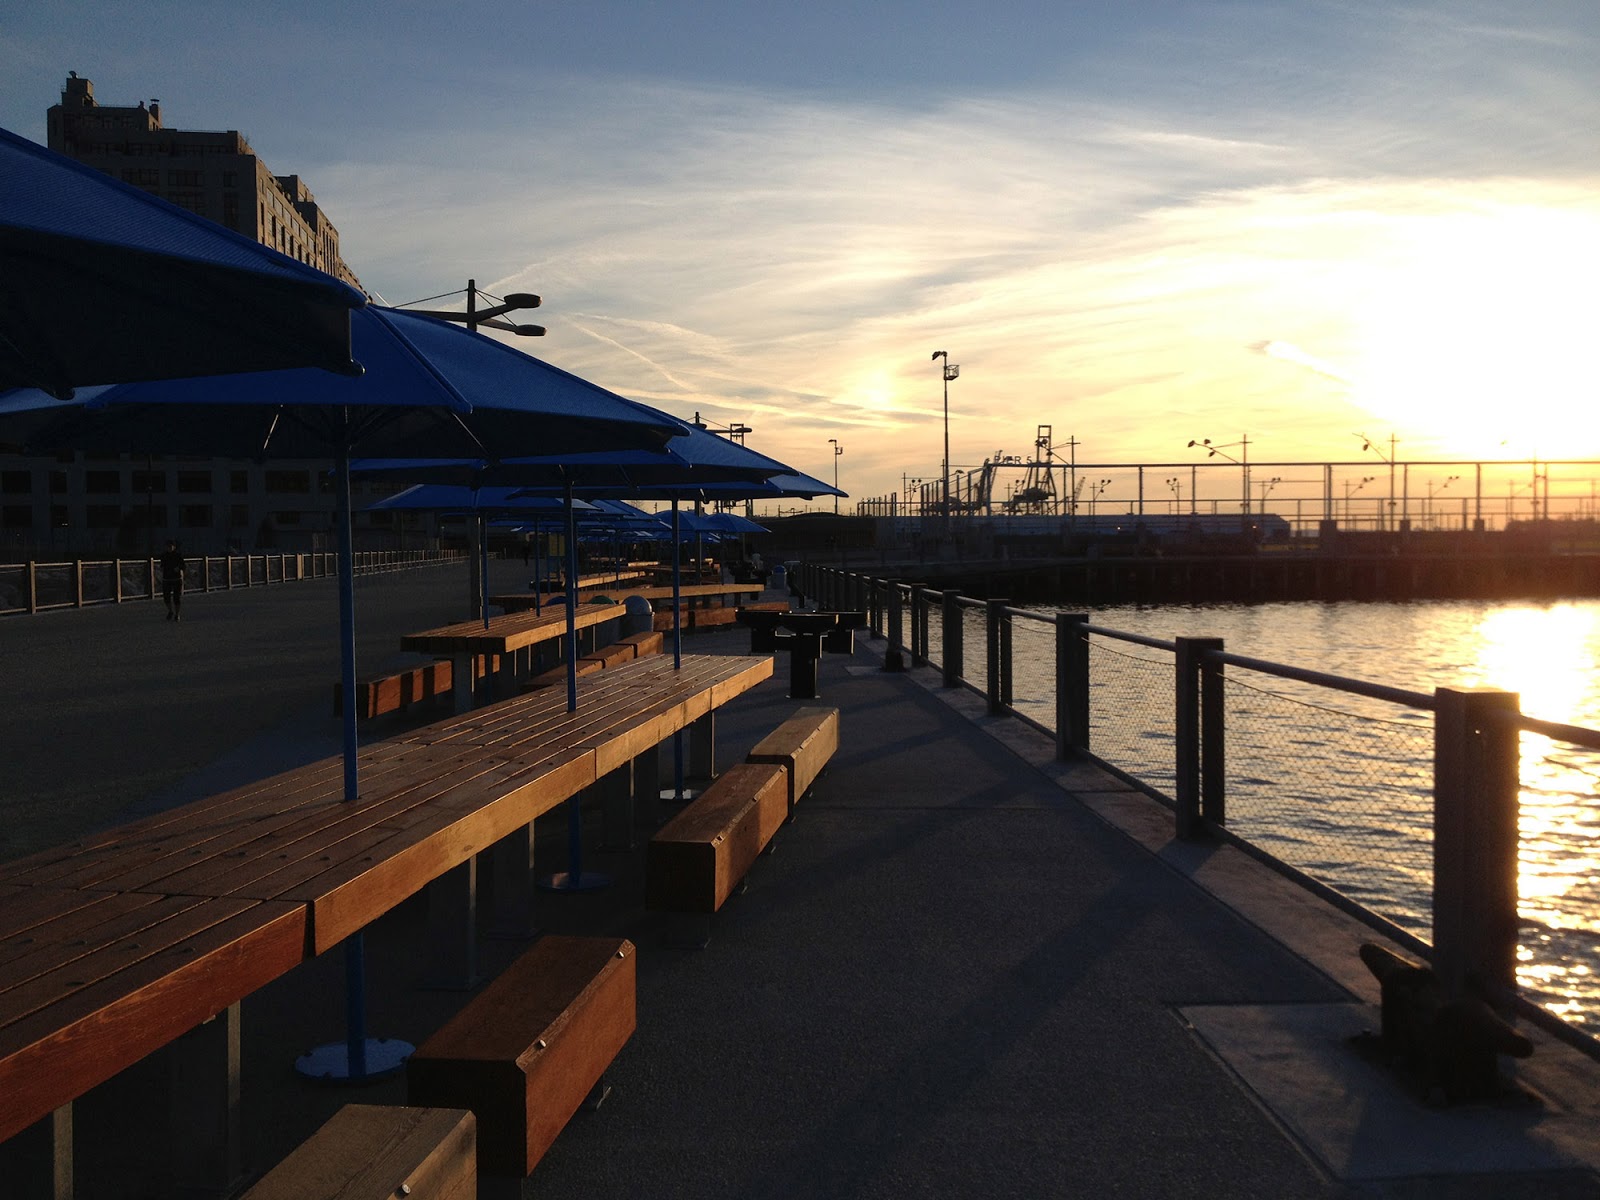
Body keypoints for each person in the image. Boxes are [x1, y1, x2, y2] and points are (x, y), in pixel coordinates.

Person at [160, 538, 185, 621]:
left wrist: (178, 568)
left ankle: (177, 614)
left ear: (174, 547)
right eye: (168, 546)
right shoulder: (164, 555)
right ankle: (170, 611)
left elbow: (183, 566)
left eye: (171, 546)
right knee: (166, 597)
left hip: (177, 579)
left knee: (176, 597)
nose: (169, 548)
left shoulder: (178, 555)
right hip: (166, 579)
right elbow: (162, 566)